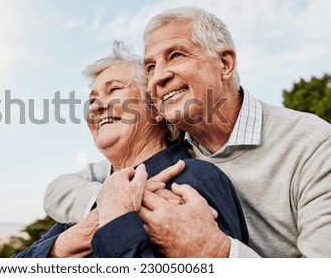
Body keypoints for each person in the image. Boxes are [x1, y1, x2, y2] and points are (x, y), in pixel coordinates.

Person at [44, 7, 331, 258]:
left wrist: (216, 252)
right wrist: (108, 203)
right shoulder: (173, 147)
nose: (159, 76)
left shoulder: (314, 145)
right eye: (151, 66)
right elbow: (61, 188)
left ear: (225, 63)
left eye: (176, 55)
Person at [13, 41, 248, 257]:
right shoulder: (95, 202)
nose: (96, 106)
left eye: (114, 90)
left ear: (157, 109)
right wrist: (79, 236)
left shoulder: (194, 181)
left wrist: (118, 220)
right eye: (92, 98)